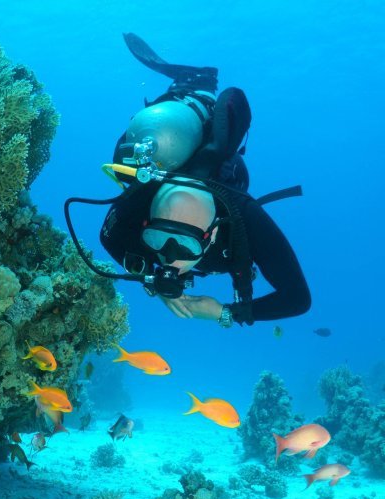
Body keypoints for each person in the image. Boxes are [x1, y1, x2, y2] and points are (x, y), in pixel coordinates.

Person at [98, 34, 311, 327]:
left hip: (227, 178)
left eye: (186, 246)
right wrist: (152, 280)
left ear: (211, 235)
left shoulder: (244, 219)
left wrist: (225, 312)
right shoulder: (139, 202)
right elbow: (109, 237)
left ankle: (195, 88)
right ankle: (187, 94)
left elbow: (298, 298)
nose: (170, 261)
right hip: (168, 162)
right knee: (133, 159)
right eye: (156, 238)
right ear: (146, 222)